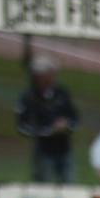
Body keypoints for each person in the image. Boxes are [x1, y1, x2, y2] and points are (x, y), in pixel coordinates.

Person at [15, 56, 78, 185]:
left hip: (64, 149)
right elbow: (22, 126)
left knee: (69, 186)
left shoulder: (62, 93)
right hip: (43, 152)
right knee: (43, 187)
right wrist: (49, 130)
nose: (49, 77)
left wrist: (67, 125)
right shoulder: (28, 98)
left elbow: (74, 117)